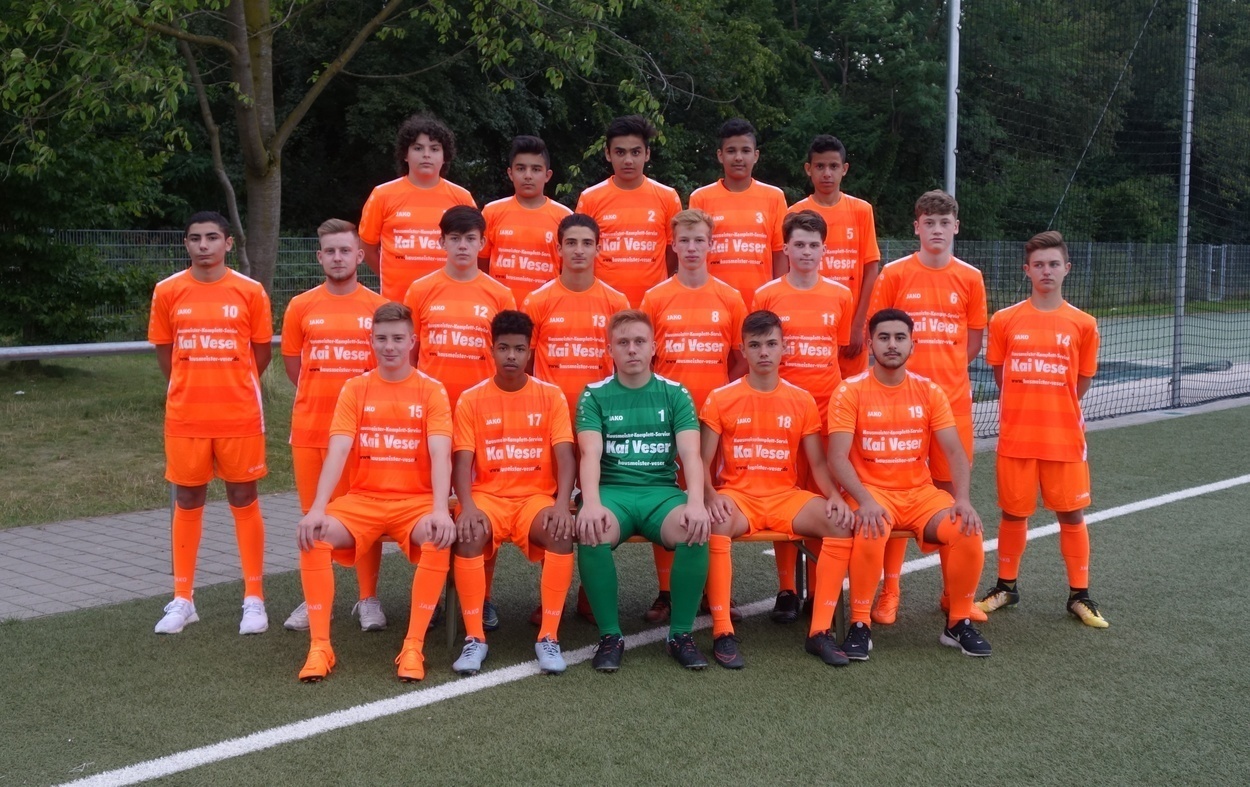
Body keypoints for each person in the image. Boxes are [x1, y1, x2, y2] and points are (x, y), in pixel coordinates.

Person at [294, 302, 456, 682]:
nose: (389, 346)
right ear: (371, 341)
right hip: (363, 500)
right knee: (313, 535)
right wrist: (317, 508)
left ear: (412, 341)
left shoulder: (432, 390)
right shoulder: (355, 388)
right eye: (381, 338)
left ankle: (413, 645)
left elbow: (440, 453)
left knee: (438, 536)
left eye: (398, 338)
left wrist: (439, 508)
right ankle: (320, 646)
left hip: (414, 503)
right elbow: (338, 450)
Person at [827, 308, 991, 660]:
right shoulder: (850, 391)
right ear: (870, 344)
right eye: (884, 337)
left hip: (920, 495)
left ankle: (957, 622)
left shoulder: (929, 391)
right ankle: (859, 625)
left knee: (967, 528)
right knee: (871, 527)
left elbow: (955, 451)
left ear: (912, 345)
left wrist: (962, 499)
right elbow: (837, 457)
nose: (892, 344)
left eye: (900, 338)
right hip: (871, 493)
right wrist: (864, 500)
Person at [701, 310, 856, 668]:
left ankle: (819, 631)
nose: (764, 352)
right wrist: (710, 496)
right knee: (716, 523)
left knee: (840, 523)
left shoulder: (801, 400)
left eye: (771, 344)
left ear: (784, 348)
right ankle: (722, 631)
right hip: (739, 497)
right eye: (755, 345)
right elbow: (702, 461)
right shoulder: (721, 397)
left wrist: (835, 496)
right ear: (743, 350)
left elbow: (817, 464)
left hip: (786, 497)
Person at [867, 190, 988, 625]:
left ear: (956, 227)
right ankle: (890, 591)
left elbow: (972, 342)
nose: (937, 230)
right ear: (916, 227)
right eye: (929, 223)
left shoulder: (971, 277)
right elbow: (879, 332)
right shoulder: (896, 274)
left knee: (951, 498)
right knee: (899, 493)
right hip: (900, 404)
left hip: (951, 405)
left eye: (945, 223)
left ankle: (953, 595)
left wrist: (945, 374)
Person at [149, 211, 272, 636]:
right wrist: (192, 384)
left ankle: (254, 598)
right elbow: (165, 353)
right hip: (186, 416)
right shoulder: (167, 290)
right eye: (195, 238)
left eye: (212, 238)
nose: (204, 245)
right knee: (187, 498)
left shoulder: (250, 291)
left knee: (243, 495)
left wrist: (231, 382)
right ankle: (183, 599)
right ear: (186, 243)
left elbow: (260, 353)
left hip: (239, 414)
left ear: (228, 243)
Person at [976, 231, 1108, 627]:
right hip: (1016, 438)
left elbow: (1081, 381)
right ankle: (1006, 587)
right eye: (1038, 265)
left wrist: (1055, 405)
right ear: (1027, 270)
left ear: (1067, 268)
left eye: (1053, 264)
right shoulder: (1004, 320)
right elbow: (1001, 376)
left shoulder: (1083, 324)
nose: (1046, 271)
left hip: (1063, 438)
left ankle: (1080, 595)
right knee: (1013, 514)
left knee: (1071, 514)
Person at [576, 310, 711, 672]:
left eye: (639, 341)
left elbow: (691, 454)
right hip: (613, 493)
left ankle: (680, 635)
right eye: (623, 342)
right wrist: (591, 503)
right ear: (610, 350)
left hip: (660, 494)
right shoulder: (593, 394)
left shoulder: (676, 393)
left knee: (695, 527)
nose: (632, 349)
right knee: (592, 529)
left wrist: (696, 502)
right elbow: (590, 453)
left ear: (654, 347)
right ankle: (610, 636)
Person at [450, 311, 578, 676]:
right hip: (487, 498)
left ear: (530, 351)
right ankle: (475, 638)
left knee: (559, 531)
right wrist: (467, 506)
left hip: (534, 500)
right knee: (469, 532)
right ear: (491, 349)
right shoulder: (471, 399)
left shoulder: (550, 396)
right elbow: (461, 462)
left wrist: (561, 504)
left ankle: (548, 636)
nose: (511, 356)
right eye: (504, 348)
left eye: (519, 349)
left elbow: (565, 457)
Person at [279, 219, 390, 633]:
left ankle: (368, 598)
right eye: (330, 251)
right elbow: (295, 367)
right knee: (314, 515)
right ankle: (316, 599)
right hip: (312, 430)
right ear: (319, 256)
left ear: (360, 256)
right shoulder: (300, 306)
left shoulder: (378, 308)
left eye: (345, 250)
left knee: (364, 516)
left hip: (364, 434)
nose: (338, 257)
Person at [638, 208, 747, 623]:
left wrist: (721, 397)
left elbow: (739, 357)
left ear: (711, 245)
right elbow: (644, 359)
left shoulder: (730, 297)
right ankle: (667, 591)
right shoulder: (655, 297)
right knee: (669, 497)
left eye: (699, 240)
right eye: (684, 240)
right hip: (666, 416)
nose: (691, 247)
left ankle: (710, 591)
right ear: (673, 244)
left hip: (714, 420)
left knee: (710, 499)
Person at [752, 209, 854, 622]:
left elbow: (838, 353)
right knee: (783, 494)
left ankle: (817, 589)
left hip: (827, 412)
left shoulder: (841, 296)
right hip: (779, 412)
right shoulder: (766, 294)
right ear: (786, 248)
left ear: (824, 250)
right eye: (799, 244)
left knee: (823, 500)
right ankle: (787, 590)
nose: (806, 252)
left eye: (814, 245)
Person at [403, 205, 516, 409]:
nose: (463, 246)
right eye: (455, 238)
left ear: (482, 243)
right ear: (442, 242)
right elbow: (409, 353)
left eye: (470, 238)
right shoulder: (419, 290)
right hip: (431, 405)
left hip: (483, 405)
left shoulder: (502, 295)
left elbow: (509, 356)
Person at [787, 134, 881, 379]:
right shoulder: (795, 213)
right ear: (808, 169)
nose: (827, 173)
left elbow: (871, 269)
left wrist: (859, 325)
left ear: (844, 169)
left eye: (833, 166)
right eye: (820, 166)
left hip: (851, 325)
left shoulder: (861, 210)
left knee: (850, 390)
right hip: (810, 324)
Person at [523, 213, 630, 417]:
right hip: (549, 413)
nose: (579, 250)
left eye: (587, 243)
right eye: (571, 243)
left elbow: (623, 363)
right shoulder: (536, 301)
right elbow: (526, 362)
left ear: (598, 249)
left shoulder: (617, 302)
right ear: (559, 249)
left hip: (601, 413)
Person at [359, 114, 476, 302]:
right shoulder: (382, 195)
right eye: (418, 148)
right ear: (405, 155)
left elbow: (473, 249)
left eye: (434, 149)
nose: (426, 154)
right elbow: (367, 247)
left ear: (445, 156)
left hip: (447, 301)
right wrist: (392, 279)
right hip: (396, 304)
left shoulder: (462, 198)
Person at [575, 115, 682, 307]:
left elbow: (673, 251)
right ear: (608, 154)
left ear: (647, 154)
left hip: (653, 305)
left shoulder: (668, 197)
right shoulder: (590, 198)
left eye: (635, 152)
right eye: (620, 152)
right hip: (602, 304)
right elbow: (580, 251)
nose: (628, 160)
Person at [689, 118, 788, 309]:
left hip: (760, 303)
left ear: (756, 155)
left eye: (745, 151)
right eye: (731, 151)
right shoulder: (701, 198)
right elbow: (693, 253)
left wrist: (779, 298)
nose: (738, 158)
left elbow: (780, 254)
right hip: (713, 303)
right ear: (720, 155)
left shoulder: (774, 197)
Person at [480, 135, 572, 303]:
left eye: (536, 169)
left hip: (547, 307)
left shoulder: (564, 217)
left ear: (547, 175)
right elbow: (481, 264)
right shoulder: (491, 212)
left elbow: (569, 269)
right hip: (500, 308)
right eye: (521, 169)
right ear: (510, 173)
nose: (528, 176)